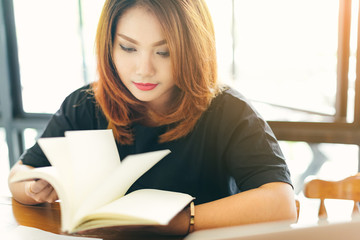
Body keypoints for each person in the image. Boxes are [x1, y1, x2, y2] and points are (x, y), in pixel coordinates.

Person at [8, 0, 297, 236]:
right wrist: (34, 188)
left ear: (193, 50)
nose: (144, 69)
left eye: (164, 51)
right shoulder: (85, 104)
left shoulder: (227, 110)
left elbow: (281, 203)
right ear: (109, 46)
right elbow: (18, 176)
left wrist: (184, 220)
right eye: (128, 48)